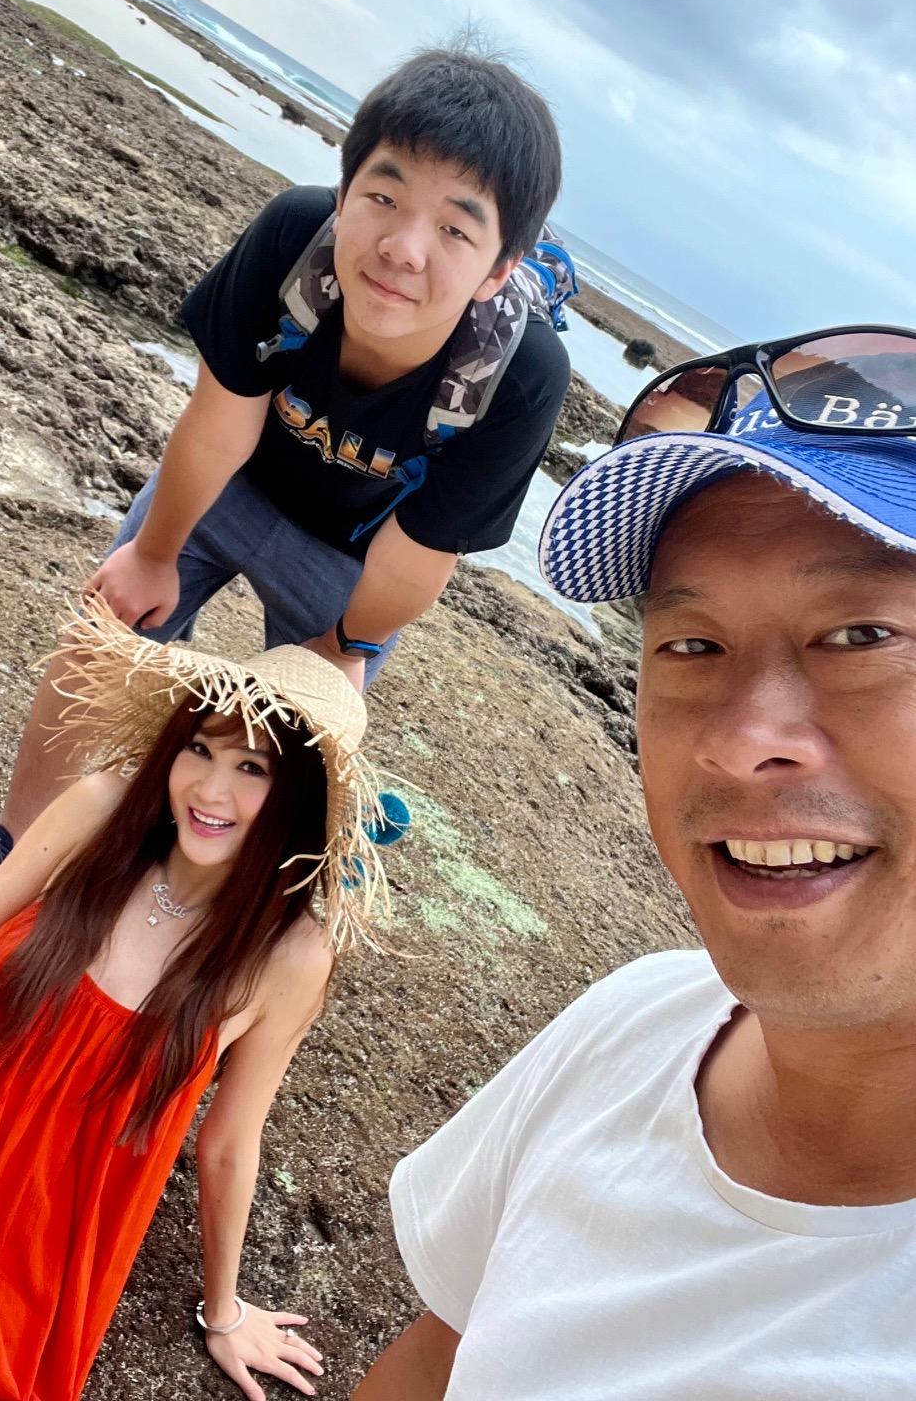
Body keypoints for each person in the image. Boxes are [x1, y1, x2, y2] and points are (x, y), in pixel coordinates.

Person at [0, 44, 569, 926]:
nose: (403, 248)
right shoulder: (295, 243)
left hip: (355, 564)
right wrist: (154, 552)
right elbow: (220, 421)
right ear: (345, 189)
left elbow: (420, 555)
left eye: (456, 230)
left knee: (288, 757)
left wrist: (346, 649)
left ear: (500, 266)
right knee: (104, 627)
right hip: (233, 486)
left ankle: (176, 915)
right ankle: (12, 853)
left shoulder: (518, 376)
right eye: (385, 197)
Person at [354, 324, 916, 1397]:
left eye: (861, 635)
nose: (741, 739)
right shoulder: (635, 1025)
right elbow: (434, 1364)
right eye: (692, 644)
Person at [0, 599, 388, 1401]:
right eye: (200, 748)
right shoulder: (99, 814)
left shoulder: (290, 955)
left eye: (253, 768)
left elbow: (230, 1142)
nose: (209, 788)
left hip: (13, 1262)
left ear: (297, 798)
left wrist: (225, 1312)